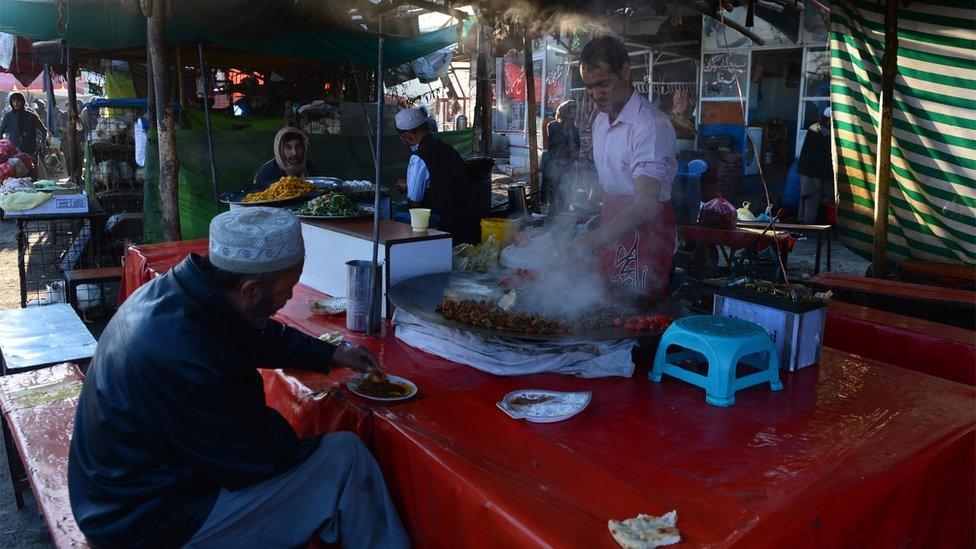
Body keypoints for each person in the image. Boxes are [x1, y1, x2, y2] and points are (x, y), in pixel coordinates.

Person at [68, 207, 409, 548]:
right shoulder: (186, 356)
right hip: (142, 524)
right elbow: (261, 456)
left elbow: (253, 334)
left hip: (119, 495)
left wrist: (329, 353)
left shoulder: (183, 296)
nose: (289, 298)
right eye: (286, 290)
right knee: (343, 458)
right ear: (249, 291)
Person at [554, 36, 677, 303]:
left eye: (604, 84)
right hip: (611, 236)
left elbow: (646, 207)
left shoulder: (649, 125)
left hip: (649, 239)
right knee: (603, 309)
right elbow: (611, 188)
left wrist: (588, 242)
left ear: (625, 70)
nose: (596, 95)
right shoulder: (600, 121)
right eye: (589, 87)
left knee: (640, 316)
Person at [393, 107, 481, 244]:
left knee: (396, 217)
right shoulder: (448, 149)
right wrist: (410, 184)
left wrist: (410, 190)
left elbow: (414, 202)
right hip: (469, 220)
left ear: (408, 137)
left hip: (444, 224)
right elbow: (443, 181)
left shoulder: (418, 159)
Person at [541, 100, 581, 212]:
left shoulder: (575, 130)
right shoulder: (552, 126)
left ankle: (564, 217)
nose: (572, 116)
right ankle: (551, 217)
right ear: (563, 113)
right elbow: (548, 146)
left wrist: (571, 159)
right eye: (570, 113)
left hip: (568, 167)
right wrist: (557, 161)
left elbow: (577, 149)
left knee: (566, 194)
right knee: (553, 195)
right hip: (553, 165)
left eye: (574, 113)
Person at [797, 107, 834, 224]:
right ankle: (808, 223)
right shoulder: (825, 133)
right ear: (829, 120)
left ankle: (801, 220)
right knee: (813, 197)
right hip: (815, 171)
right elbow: (827, 153)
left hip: (805, 168)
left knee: (805, 196)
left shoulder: (814, 127)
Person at [253, 126, 323, 185]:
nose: (294, 153)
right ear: (279, 150)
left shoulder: (310, 167)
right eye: (288, 147)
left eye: (298, 147)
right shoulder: (266, 173)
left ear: (304, 148)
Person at [0, 91, 48, 176]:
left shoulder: (31, 115)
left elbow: (43, 130)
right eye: (14, 101)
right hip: (13, 151)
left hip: (31, 150)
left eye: (18, 101)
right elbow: (1, 132)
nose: (16, 104)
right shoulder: (8, 116)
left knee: (32, 174)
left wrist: (42, 143)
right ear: (11, 103)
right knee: (15, 176)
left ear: (23, 102)